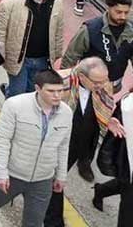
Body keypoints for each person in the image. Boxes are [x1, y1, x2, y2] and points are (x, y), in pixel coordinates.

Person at [0, 69, 72, 227]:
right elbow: (2, 139)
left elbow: (63, 145)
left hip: (43, 178)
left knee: (34, 222)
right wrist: (1, 173)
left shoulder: (66, 113)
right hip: (13, 172)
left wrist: (61, 175)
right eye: (51, 91)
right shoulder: (15, 105)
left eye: (60, 91)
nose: (57, 96)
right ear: (38, 88)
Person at [44, 57, 116, 225]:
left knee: (54, 179)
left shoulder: (103, 86)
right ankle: (53, 221)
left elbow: (103, 111)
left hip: (79, 146)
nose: (101, 85)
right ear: (82, 76)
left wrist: (109, 121)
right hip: (56, 143)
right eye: (96, 82)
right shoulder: (59, 82)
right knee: (55, 180)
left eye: (103, 81)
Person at [0, 0, 65, 98]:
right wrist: (2, 53)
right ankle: (11, 112)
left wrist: (57, 53)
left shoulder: (57, 2)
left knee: (32, 93)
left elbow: (59, 29)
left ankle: (9, 92)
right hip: (19, 59)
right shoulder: (10, 3)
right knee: (18, 93)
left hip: (43, 59)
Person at [62, 0, 133, 84]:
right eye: (118, 12)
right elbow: (71, 56)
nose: (123, 16)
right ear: (108, 8)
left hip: (114, 82)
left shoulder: (131, 30)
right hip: (88, 82)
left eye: (126, 12)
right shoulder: (90, 29)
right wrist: (65, 81)